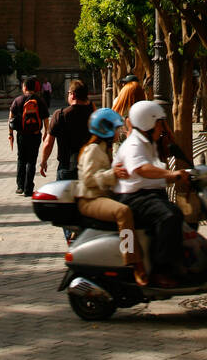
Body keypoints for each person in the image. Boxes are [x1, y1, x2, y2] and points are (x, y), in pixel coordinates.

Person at [114, 100, 190, 287]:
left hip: (148, 194)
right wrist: (171, 174)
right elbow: (141, 169)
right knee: (169, 216)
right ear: (147, 123)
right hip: (135, 197)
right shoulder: (134, 144)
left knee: (179, 215)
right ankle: (160, 271)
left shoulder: (148, 143)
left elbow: (155, 168)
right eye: (160, 123)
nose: (162, 128)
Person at [76, 108, 147, 286]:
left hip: (102, 196)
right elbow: (89, 178)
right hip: (90, 199)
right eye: (116, 129)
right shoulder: (92, 150)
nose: (119, 132)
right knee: (123, 211)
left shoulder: (105, 149)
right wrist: (112, 174)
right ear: (105, 130)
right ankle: (132, 260)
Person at [39, 79, 93, 181]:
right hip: (88, 166)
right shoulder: (93, 114)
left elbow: (48, 143)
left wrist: (43, 161)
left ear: (72, 95)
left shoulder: (60, 114)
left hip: (66, 166)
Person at [8, 78, 49, 196]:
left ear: (24, 87)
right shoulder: (39, 101)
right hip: (35, 135)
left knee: (21, 159)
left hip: (21, 135)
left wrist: (10, 134)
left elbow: (10, 119)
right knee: (32, 160)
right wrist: (46, 132)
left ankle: (20, 186)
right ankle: (28, 188)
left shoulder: (18, 100)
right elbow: (46, 119)